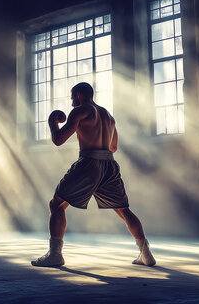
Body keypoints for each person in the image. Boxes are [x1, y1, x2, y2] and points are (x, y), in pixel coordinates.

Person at [31, 82, 156, 267]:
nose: (72, 102)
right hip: (109, 164)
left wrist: (52, 121)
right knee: (123, 209)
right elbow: (113, 147)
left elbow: (58, 140)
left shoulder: (81, 110)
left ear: (80, 95)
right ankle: (146, 253)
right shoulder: (109, 117)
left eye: (72, 97)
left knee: (56, 204)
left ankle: (55, 254)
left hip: (89, 162)